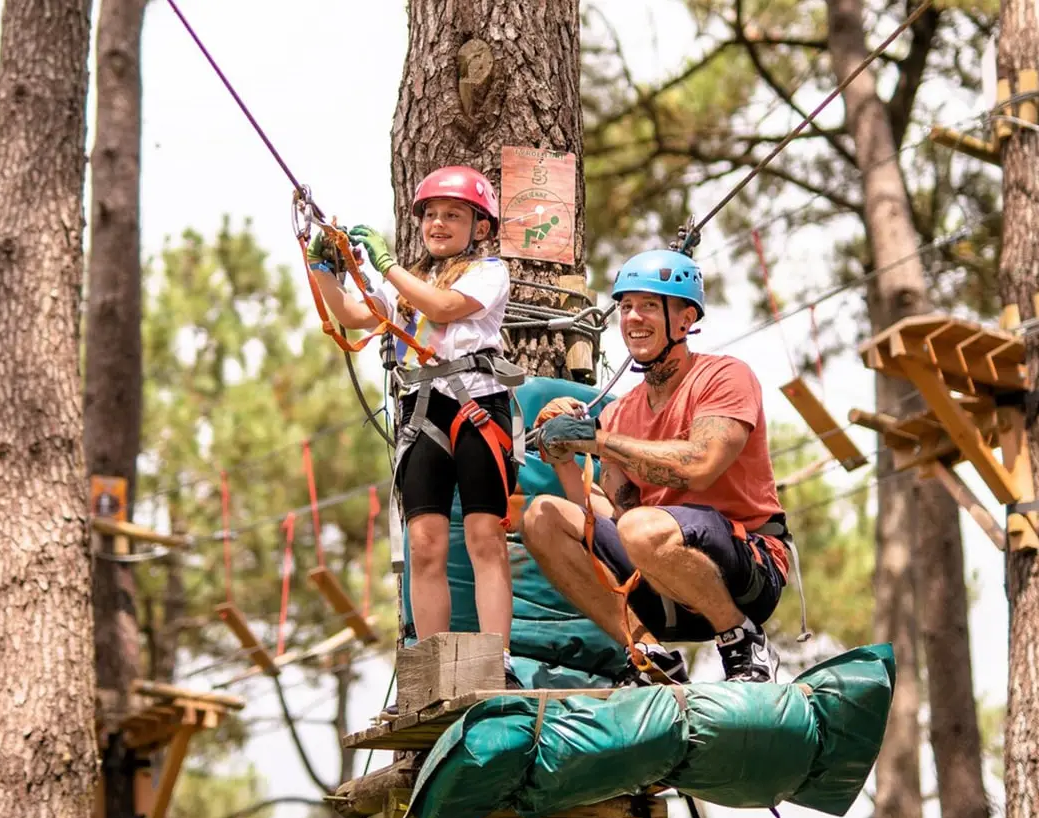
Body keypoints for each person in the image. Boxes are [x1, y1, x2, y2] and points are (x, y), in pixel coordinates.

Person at [520, 248, 793, 685]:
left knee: (643, 529)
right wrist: (565, 460)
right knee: (542, 517)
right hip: (662, 576)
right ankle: (648, 654)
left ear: (684, 320)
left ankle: (742, 640)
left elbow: (700, 465)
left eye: (649, 305)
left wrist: (596, 438)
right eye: (626, 307)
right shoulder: (620, 413)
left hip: (747, 573)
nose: (633, 318)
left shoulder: (724, 377)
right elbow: (611, 515)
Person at [306, 165, 524, 690]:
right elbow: (354, 314)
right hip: (423, 408)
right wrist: (323, 268)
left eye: (454, 215)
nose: (439, 223)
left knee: (483, 536)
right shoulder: (405, 284)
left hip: (476, 405)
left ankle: (499, 659)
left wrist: (385, 264)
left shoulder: (489, 272)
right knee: (424, 542)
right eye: (431, 214)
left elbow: (443, 308)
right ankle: (432, 668)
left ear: (481, 227)